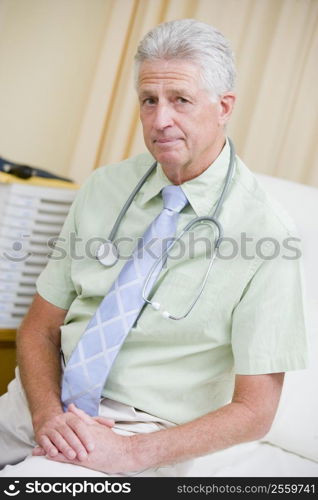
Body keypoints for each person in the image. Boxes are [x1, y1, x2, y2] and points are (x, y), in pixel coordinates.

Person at [0, 19, 307, 477]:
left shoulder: (267, 234)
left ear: (224, 106)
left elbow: (255, 411)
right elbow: (39, 328)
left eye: (180, 100)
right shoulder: (104, 188)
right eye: (149, 101)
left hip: (138, 428)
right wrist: (47, 416)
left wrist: (131, 453)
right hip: (39, 403)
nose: (160, 120)